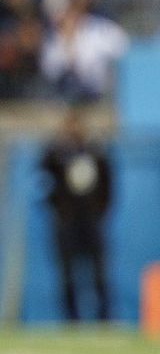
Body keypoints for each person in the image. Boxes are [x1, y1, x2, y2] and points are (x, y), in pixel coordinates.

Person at [41, 107, 114, 322]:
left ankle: (104, 318)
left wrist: (100, 210)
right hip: (67, 221)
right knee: (67, 273)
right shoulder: (55, 154)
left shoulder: (95, 151)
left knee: (99, 271)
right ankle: (70, 319)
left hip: (91, 219)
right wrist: (58, 209)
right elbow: (43, 182)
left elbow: (108, 184)